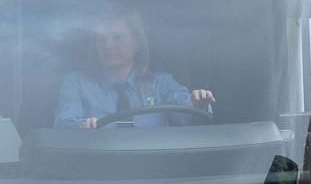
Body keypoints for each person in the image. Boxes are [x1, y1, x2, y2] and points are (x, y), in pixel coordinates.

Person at [54, 10, 214, 129]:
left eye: (118, 37)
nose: (108, 45)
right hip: (97, 168)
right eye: (101, 39)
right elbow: (63, 124)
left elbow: (188, 118)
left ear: (137, 43)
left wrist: (197, 105)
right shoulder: (76, 82)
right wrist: (81, 127)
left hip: (158, 168)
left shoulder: (161, 83)